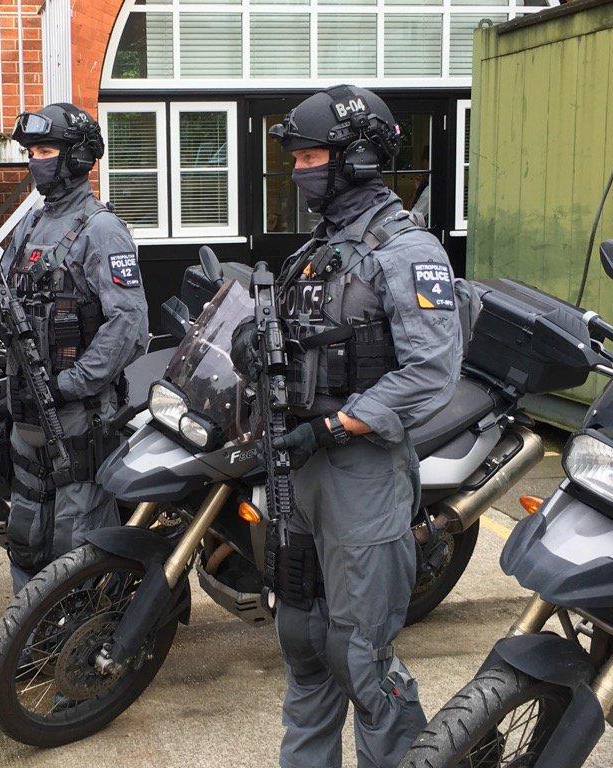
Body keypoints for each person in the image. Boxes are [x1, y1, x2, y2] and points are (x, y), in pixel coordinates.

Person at [232, 86, 462, 768]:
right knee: (304, 642)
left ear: (358, 159)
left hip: (360, 474)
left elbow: (430, 373)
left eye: (311, 155)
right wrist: (253, 339)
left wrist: (336, 426)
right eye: (297, 157)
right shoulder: (318, 250)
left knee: (358, 654)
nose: (300, 169)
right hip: (299, 472)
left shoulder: (406, 252)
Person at [0, 102, 149, 592]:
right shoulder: (30, 225)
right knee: (27, 530)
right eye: (31, 152)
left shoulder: (101, 229)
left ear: (77, 157)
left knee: (78, 537)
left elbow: (129, 324)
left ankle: (86, 629)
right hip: (27, 408)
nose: (36, 161)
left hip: (78, 413)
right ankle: (31, 630)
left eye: (46, 150)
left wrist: (72, 383)